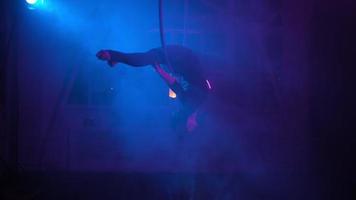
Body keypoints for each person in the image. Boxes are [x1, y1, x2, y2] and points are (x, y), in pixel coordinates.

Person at [96, 45, 210, 133]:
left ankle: (115, 57)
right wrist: (159, 70)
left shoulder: (192, 105)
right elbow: (175, 85)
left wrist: (160, 70)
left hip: (181, 58)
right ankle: (111, 55)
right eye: (193, 126)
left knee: (146, 59)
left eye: (190, 126)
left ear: (186, 120)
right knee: (143, 60)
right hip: (182, 58)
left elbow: (175, 85)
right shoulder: (192, 105)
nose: (195, 124)